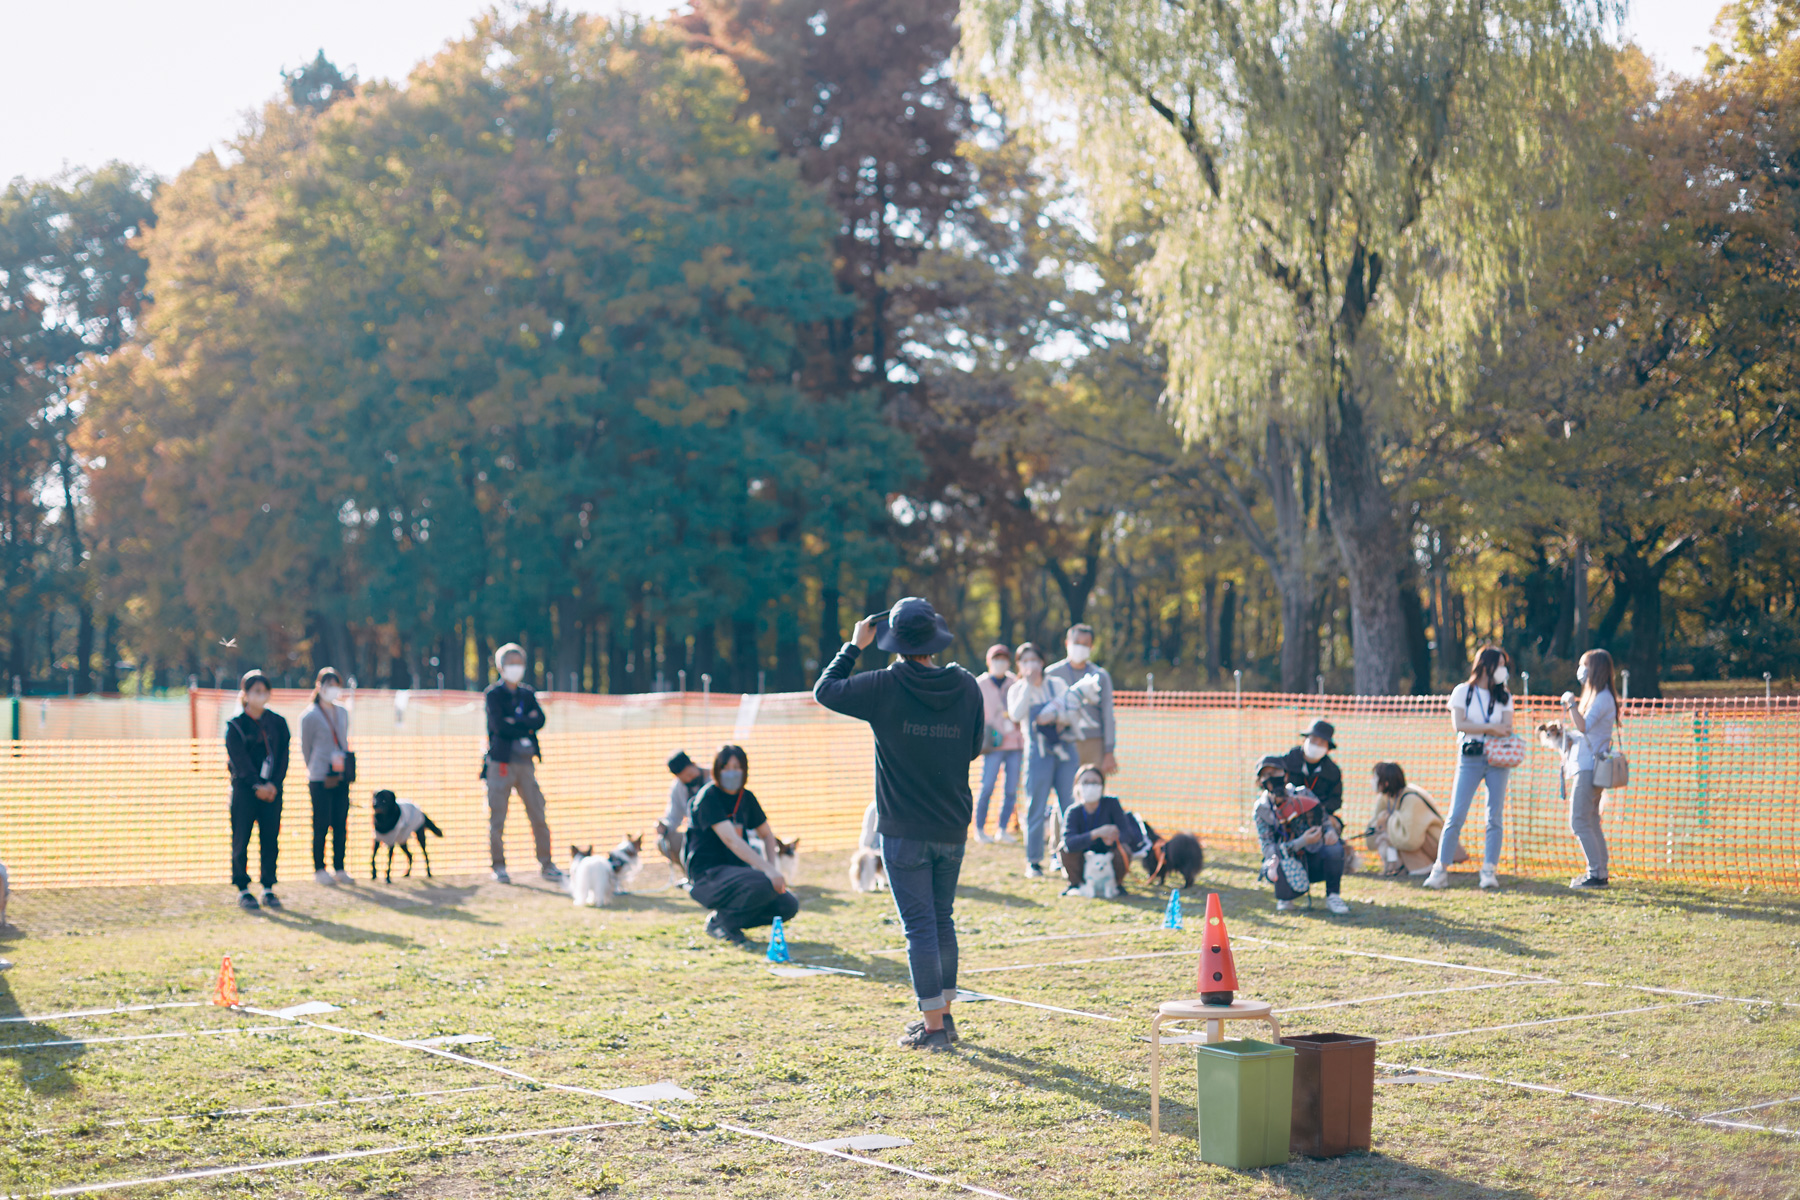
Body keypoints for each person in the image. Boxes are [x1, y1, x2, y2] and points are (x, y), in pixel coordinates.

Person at [814, 597, 983, 1052]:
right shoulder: (967, 685)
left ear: (892, 641)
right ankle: (943, 1017)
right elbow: (973, 747)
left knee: (920, 928)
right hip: (951, 823)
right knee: (942, 920)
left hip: (903, 828)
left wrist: (853, 645)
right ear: (934, 639)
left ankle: (932, 1029)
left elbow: (825, 690)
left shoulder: (882, 686)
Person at [683, 744, 798, 944]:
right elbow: (732, 841)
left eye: (737, 767)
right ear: (716, 770)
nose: (732, 773)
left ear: (745, 770)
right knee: (764, 883)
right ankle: (722, 923)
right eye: (726, 767)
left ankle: (726, 920)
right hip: (708, 875)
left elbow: (767, 835)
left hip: (737, 873)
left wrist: (773, 867)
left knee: (788, 905)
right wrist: (768, 872)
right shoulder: (708, 797)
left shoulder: (746, 797)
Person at [1426, 645, 1516, 891]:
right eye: (1499, 665)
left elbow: (1506, 727)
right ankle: (1440, 870)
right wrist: (1490, 728)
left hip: (1498, 759)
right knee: (1456, 814)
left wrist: (1483, 728)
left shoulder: (1505, 696)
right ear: (1485, 665)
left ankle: (1489, 870)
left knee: (1494, 817)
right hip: (1471, 757)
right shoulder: (1462, 691)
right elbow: (1459, 724)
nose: (1502, 670)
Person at [1007, 642, 1089, 878]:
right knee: (1036, 806)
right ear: (1020, 666)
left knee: (1069, 805)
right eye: (1025, 661)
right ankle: (1033, 860)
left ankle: (1065, 857)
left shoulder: (1057, 684)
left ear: (1042, 662)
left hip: (1065, 750)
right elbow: (1016, 714)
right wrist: (1028, 687)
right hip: (1038, 755)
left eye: (1034, 660)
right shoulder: (1017, 689)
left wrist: (1056, 718)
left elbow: (1072, 709)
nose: (1030, 665)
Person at [483, 643, 560, 885]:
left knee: (538, 813)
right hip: (501, 764)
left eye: (519, 663)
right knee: (497, 818)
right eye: (511, 663)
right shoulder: (493, 695)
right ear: (500, 666)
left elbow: (540, 720)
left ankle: (547, 863)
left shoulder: (527, 694)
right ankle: (499, 866)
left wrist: (515, 720)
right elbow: (499, 726)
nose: (515, 667)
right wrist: (524, 722)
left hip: (526, 764)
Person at [226, 669, 290, 911]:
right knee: (241, 838)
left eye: (264, 691)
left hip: (272, 792)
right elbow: (239, 761)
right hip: (245, 791)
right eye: (256, 691)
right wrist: (256, 785)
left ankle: (268, 887)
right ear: (246, 694)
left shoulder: (278, 723)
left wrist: (273, 784)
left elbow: (283, 755)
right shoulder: (236, 725)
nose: (260, 695)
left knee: (270, 838)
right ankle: (243, 888)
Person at [1252, 754, 1348, 914]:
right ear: (1259, 781)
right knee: (1273, 859)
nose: (1272, 778)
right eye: (1266, 775)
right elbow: (1268, 848)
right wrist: (1301, 842)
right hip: (1284, 862)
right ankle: (1285, 895)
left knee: (1334, 848)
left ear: (1286, 775)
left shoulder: (1303, 794)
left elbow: (1324, 821)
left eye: (1275, 772)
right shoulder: (1261, 810)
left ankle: (1333, 896)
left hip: (1313, 857)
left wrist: (1330, 832)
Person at [1558, 648, 1619, 889]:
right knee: (1592, 820)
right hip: (1590, 765)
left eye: (1584, 665)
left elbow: (1584, 726)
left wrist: (1571, 703)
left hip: (1589, 768)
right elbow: (1587, 731)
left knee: (1579, 821)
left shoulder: (1602, 697)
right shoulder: (1601, 696)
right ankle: (1600, 872)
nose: (1580, 670)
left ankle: (1595, 874)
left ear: (1594, 669)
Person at [300, 667, 353, 886]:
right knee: (321, 821)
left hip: (340, 774)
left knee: (340, 821)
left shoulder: (342, 712)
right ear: (319, 687)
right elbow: (306, 747)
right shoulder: (309, 715)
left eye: (335, 685)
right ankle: (319, 868)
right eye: (328, 685)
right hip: (320, 776)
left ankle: (339, 866)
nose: (332, 689)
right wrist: (315, 767)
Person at [1058, 764, 1145, 896]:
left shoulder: (1112, 803)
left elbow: (1127, 833)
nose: (1090, 786)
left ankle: (1116, 884)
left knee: (1124, 849)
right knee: (1063, 848)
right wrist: (1096, 834)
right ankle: (1075, 884)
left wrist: (1112, 839)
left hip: (1107, 855)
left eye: (1095, 782)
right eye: (1086, 782)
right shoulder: (1073, 811)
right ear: (1077, 786)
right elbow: (1069, 842)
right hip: (1085, 856)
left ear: (1102, 786)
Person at [1045, 623, 1117, 776]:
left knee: (1093, 788)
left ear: (1091, 647)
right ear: (1067, 643)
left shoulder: (1100, 675)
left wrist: (1109, 751)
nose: (1080, 647)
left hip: (1093, 742)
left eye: (1086, 644)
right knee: (1066, 792)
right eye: (1076, 643)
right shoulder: (1051, 673)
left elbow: (1108, 715)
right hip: (1063, 741)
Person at [1365, 761, 1452, 877]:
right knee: (1386, 837)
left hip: (1433, 845)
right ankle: (1396, 867)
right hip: (1414, 841)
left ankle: (1423, 866)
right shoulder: (1385, 798)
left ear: (1385, 782)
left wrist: (1388, 822)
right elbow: (1375, 828)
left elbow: (1411, 839)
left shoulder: (1411, 799)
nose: (1372, 781)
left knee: (1396, 835)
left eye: (1375, 777)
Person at [973, 643, 1022, 843]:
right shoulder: (980, 683)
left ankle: (1002, 828)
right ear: (988, 661)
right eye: (996, 658)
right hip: (992, 743)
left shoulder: (1015, 682)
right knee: (987, 786)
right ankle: (979, 829)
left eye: (1003, 659)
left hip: (1015, 743)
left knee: (1010, 789)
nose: (999, 663)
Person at [659, 750, 711, 875]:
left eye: (690, 774)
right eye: (684, 778)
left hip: (720, 833)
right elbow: (673, 818)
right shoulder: (678, 787)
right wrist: (664, 826)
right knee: (664, 841)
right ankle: (693, 876)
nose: (689, 779)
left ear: (693, 764)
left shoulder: (714, 778)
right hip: (696, 836)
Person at [1282, 720, 1343, 819]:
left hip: (1318, 815)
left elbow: (1335, 800)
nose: (1317, 745)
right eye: (1314, 740)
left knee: (1334, 825)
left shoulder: (1333, 771)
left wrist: (1317, 808)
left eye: (1322, 743)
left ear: (1328, 748)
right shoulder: (1287, 761)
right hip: (1288, 811)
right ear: (1305, 739)